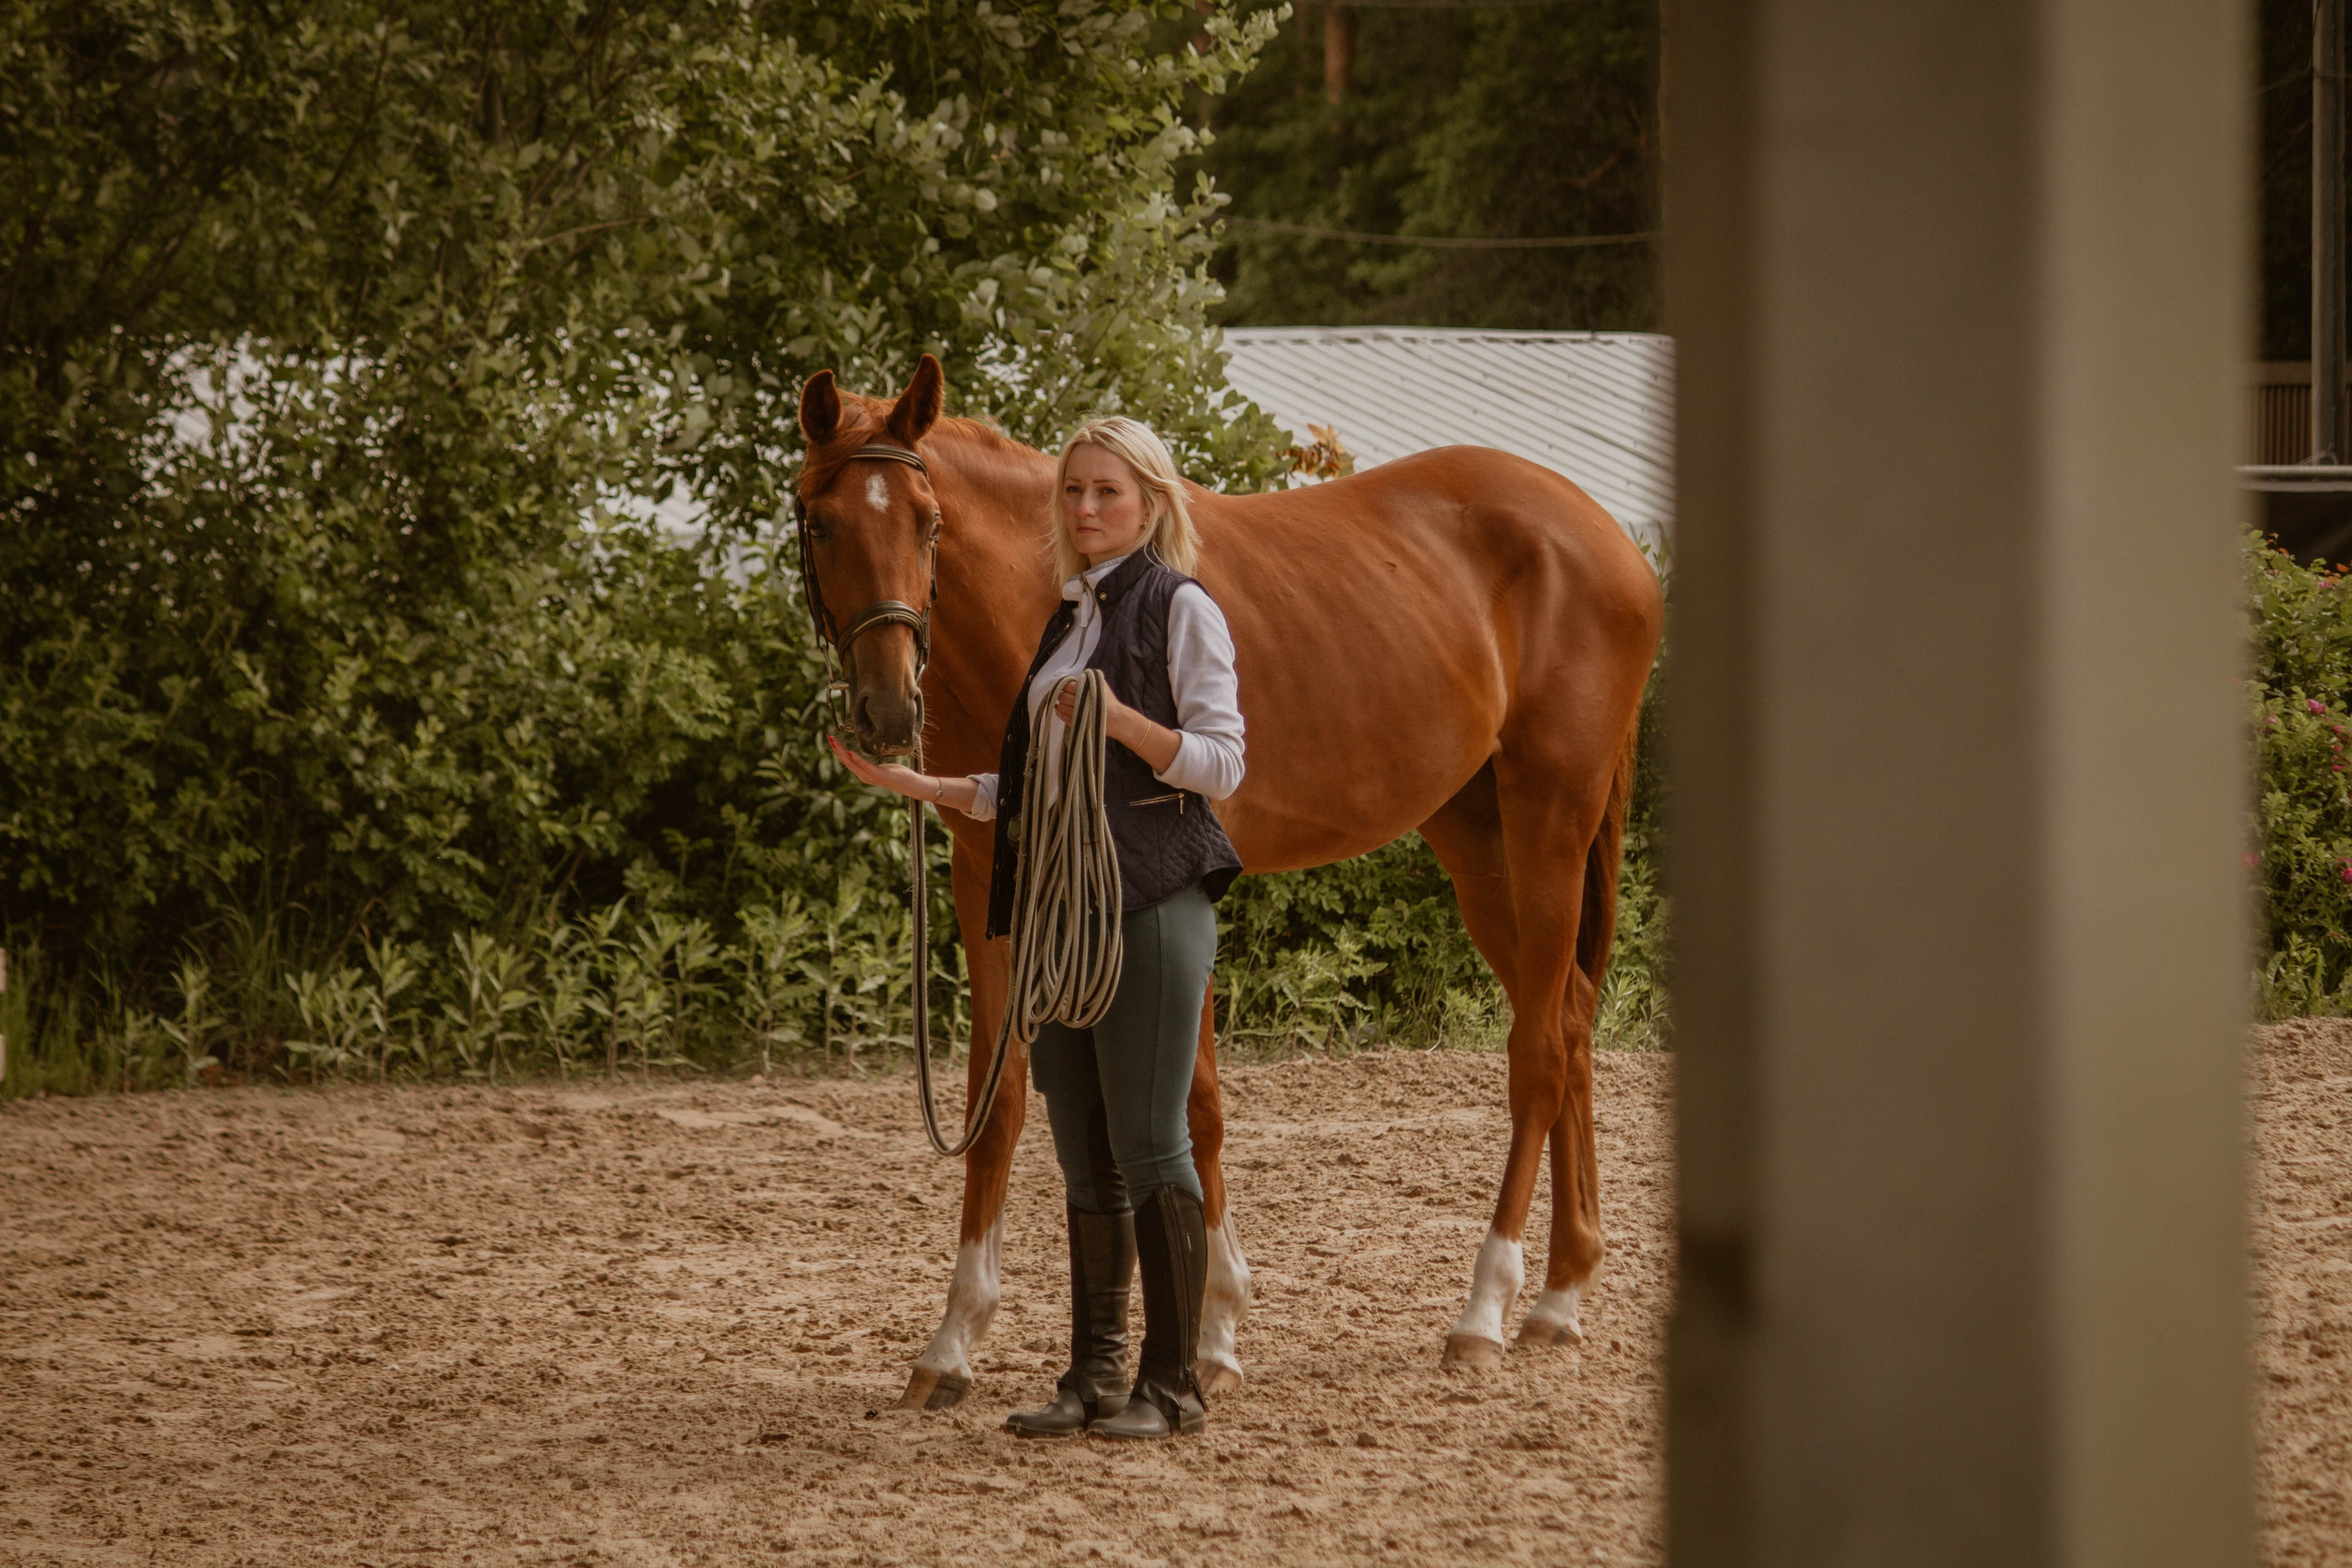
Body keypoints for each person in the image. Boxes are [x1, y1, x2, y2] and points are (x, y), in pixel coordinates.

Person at [829, 415, 1246, 1441]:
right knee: (1085, 1151)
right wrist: (923, 782)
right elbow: (1033, 786)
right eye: (1073, 493)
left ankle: (1174, 1383)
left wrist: (1119, 719)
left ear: (1151, 502)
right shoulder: (1067, 621)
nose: (1087, 509)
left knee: (1152, 1145)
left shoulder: (1180, 607)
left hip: (1150, 901)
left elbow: (1222, 763)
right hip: (1063, 912)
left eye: (1107, 492)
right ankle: (1094, 1376)